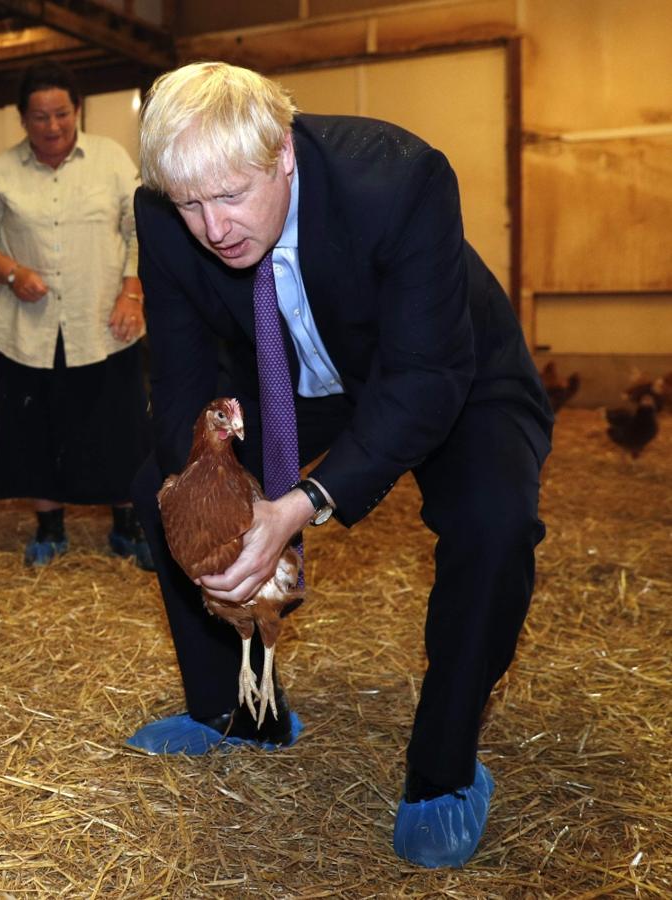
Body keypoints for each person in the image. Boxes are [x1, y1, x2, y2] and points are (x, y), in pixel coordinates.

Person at [125, 61, 554, 868]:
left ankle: (443, 770)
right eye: (190, 204)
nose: (213, 227)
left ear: (282, 153)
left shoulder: (399, 180)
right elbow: (180, 374)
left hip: (445, 366)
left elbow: (424, 380)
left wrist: (301, 503)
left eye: (231, 195)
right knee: (162, 487)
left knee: (492, 524)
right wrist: (203, 491)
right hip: (290, 372)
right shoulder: (161, 211)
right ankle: (238, 711)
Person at [0, 62, 154, 570]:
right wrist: (10, 272)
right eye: (40, 117)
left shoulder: (111, 160)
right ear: (22, 119)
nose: (52, 126)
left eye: (61, 114)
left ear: (77, 110)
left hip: (105, 322)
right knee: (36, 429)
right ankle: (49, 529)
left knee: (119, 427)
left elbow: (140, 229)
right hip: (29, 328)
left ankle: (127, 527)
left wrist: (131, 293)